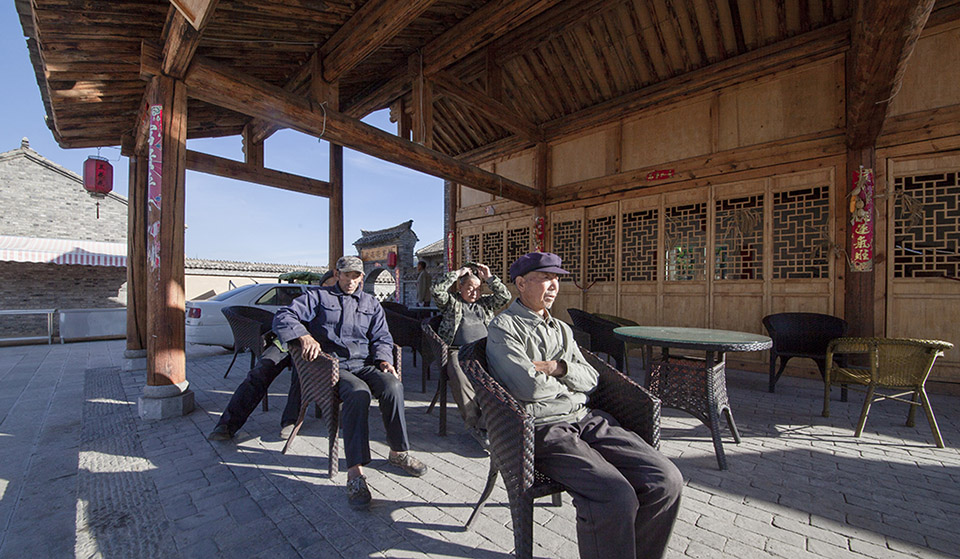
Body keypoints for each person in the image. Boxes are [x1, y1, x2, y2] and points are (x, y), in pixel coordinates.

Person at [485, 252, 682, 559]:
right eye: (545, 278)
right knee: (615, 494)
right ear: (521, 284)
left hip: (586, 418)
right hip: (544, 430)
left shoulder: (562, 329)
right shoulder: (504, 327)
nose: (553, 286)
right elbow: (527, 386)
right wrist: (568, 387)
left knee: (665, 479)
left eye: (557, 279)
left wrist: (557, 368)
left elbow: (591, 379)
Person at [273, 255, 427, 508]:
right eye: (347, 275)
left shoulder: (371, 303)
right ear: (337, 274)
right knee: (358, 393)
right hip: (332, 366)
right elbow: (284, 316)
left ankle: (398, 453)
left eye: (356, 276)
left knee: (393, 386)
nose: (351, 280)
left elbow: (382, 338)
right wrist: (304, 336)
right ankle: (355, 472)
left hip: (364, 364)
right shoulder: (318, 297)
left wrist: (385, 361)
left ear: (361, 277)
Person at [208, 271, 338, 442]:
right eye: (326, 286)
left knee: (301, 376)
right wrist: (302, 335)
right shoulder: (308, 299)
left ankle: (290, 420)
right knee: (260, 371)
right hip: (286, 344)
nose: (329, 290)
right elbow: (284, 317)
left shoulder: (341, 305)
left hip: (313, 351)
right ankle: (227, 423)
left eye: (334, 287)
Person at [431, 262, 510, 444]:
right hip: (457, 351)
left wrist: (489, 278)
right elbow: (436, 290)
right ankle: (474, 424)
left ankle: (492, 421)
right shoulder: (452, 302)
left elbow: (505, 296)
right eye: (469, 288)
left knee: (505, 372)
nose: (474, 292)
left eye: (478, 288)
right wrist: (457, 273)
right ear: (460, 287)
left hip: (485, 350)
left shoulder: (485, 304)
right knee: (459, 375)